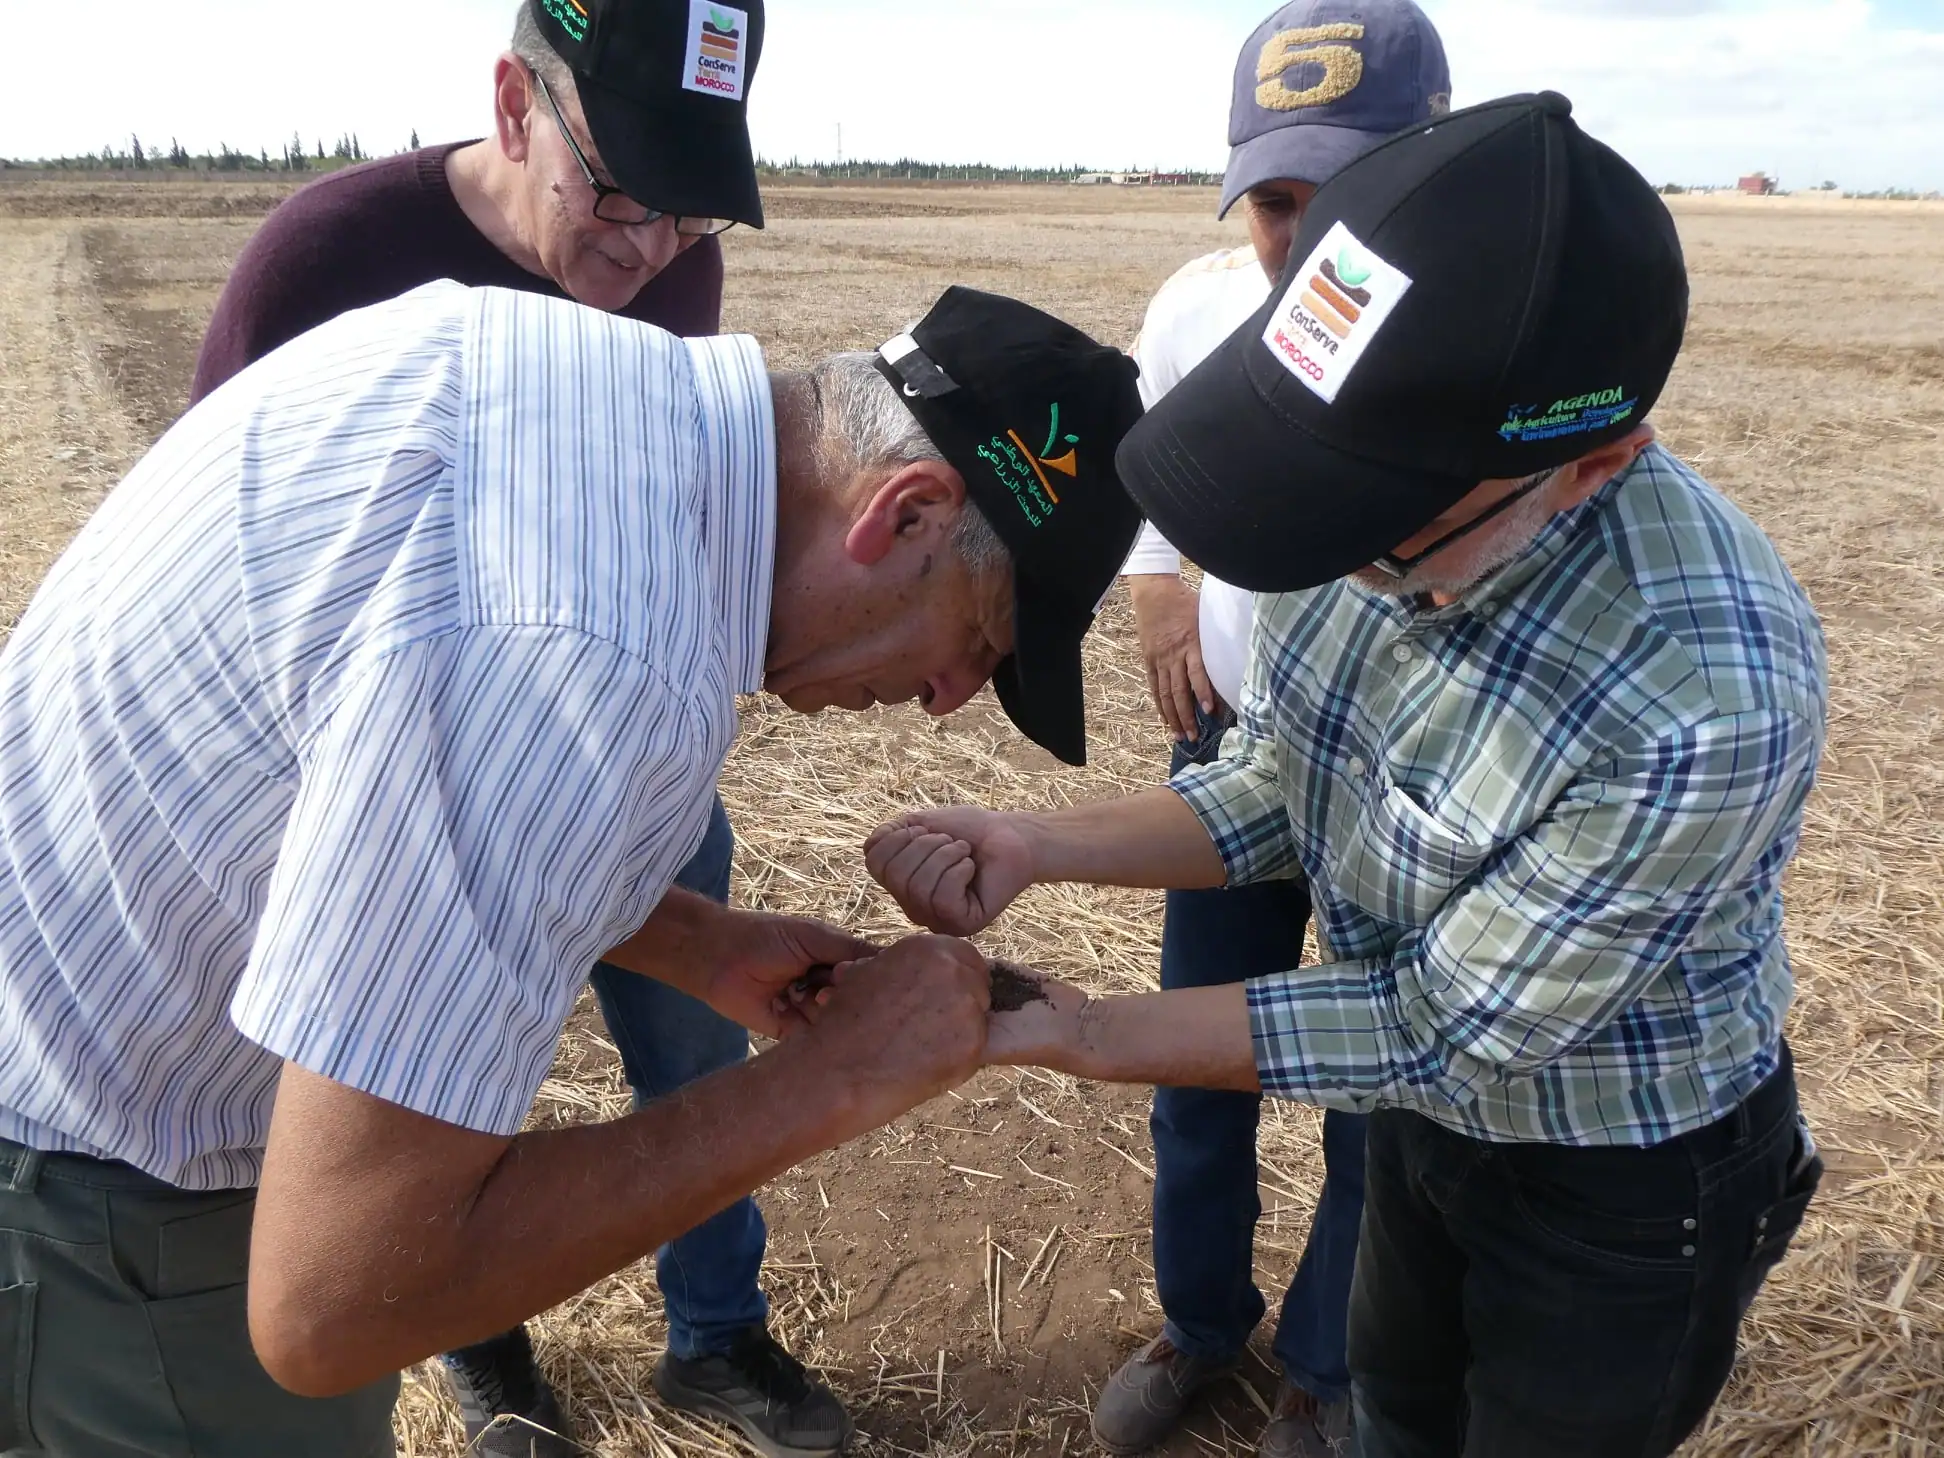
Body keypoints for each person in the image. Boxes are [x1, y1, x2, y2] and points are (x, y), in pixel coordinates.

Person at [0, 281, 1146, 1458]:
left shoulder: (573, 387)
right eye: (984, 636)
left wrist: (699, 942)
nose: (951, 697)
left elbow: (365, 782)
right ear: (905, 515)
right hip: (96, 1204)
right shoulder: (597, 650)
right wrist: (838, 1079)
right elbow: (331, 1306)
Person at [868, 94, 1827, 1458]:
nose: (1332, 558)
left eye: (1376, 527)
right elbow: (1281, 783)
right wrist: (1038, 844)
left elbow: (1440, 1018)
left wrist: (1080, 1030)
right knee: (1392, 1408)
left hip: (1617, 1176)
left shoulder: (1696, 694)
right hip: (1426, 1119)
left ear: (1592, 461)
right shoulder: (1372, 496)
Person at [187, 2, 783, 1448]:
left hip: (612, 764)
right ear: (515, 104)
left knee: (697, 1045)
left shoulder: (668, 273)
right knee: (435, 1077)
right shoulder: (326, 262)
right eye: (624, 188)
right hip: (382, 788)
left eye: (692, 206)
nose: (652, 249)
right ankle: (478, 1346)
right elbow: (222, 548)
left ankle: (720, 1339)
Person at [1110, 5, 1448, 1452]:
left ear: (1434, 160)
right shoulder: (1197, 307)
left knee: (1377, 1088)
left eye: (1353, 192)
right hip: (1237, 754)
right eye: (1278, 199)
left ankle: (1326, 1362)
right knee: (1201, 1053)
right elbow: (1143, 457)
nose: (1307, 238)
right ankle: (1200, 1323)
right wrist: (1158, 600)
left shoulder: (1482, 339)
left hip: (1412, 779)